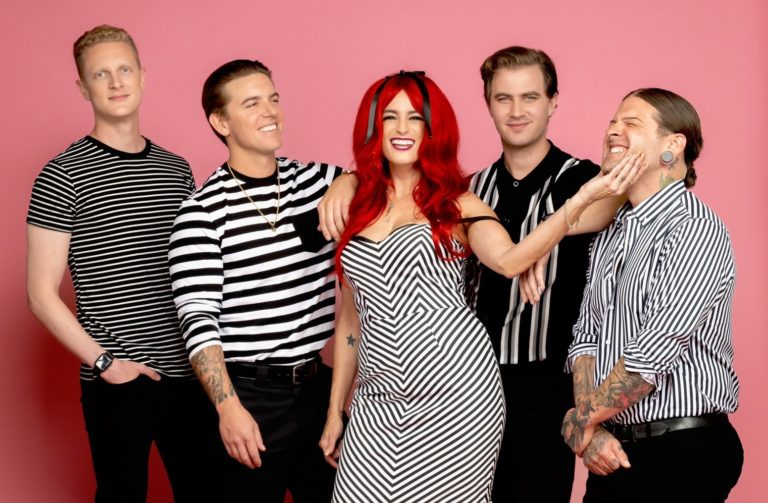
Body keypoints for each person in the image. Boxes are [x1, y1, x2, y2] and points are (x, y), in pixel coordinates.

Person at [318, 71, 645, 502]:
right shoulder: (354, 205)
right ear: (372, 127)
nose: (401, 129)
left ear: (432, 129)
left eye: (415, 118)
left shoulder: (457, 203)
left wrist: (580, 199)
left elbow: (510, 260)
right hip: (376, 399)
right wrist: (334, 411)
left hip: (457, 392)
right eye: (389, 117)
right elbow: (350, 321)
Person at [26, 25, 222, 502]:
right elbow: (39, 294)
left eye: (124, 70)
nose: (116, 82)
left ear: (142, 76)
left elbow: (198, 269)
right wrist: (105, 362)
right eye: (101, 74)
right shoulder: (61, 174)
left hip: (189, 374)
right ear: (83, 88)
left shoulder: (176, 168)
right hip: (119, 377)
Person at [168, 59, 341, 502]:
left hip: (318, 388)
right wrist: (228, 408)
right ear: (221, 122)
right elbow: (197, 321)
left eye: (274, 98)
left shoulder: (318, 182)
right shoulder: (202, 212)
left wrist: (350, 183)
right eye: (252, 104)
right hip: (250, 395)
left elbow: (385, 181)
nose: (271, 112)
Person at [562, 88, 743, 503]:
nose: (613, 130)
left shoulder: (694, 229)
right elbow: (586, 338)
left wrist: (577, 421)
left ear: (673, 145)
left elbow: (652, 354)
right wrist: (591, 432)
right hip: (615, 450)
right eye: (612, 122)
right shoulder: (611, 233)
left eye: (631, 123)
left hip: (682, 452)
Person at [464, 46, 602, 502]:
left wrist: (537, 243)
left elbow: (619, 198)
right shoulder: (470, 189)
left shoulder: (585, 181)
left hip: (547, 386)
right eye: (503, 98)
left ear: (553, 102)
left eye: (530, 97)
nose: (516, 111)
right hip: (469, 380)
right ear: (488, 104)